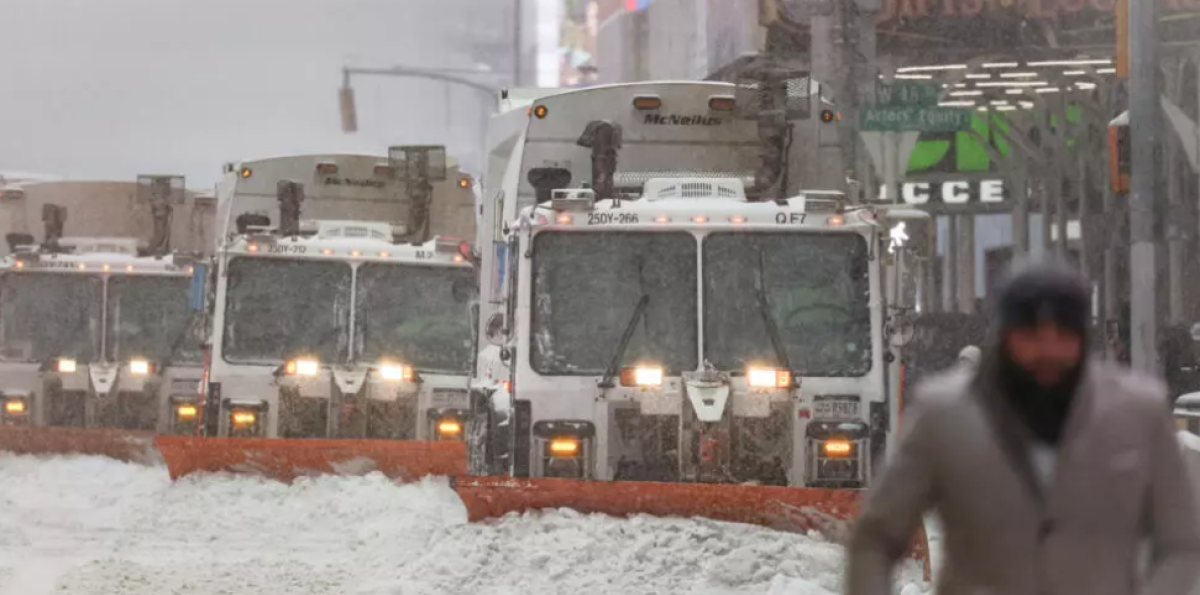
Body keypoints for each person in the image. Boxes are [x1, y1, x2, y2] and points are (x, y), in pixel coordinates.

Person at [846, 259, 1200, 595]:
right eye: (1030, 335)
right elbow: (875, 539)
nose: (1047, 351)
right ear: (1004, 338)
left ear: (1082, 339)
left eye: (1063, 335)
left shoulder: (1137, 414)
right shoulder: (944, 415)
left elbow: (1182, 543)